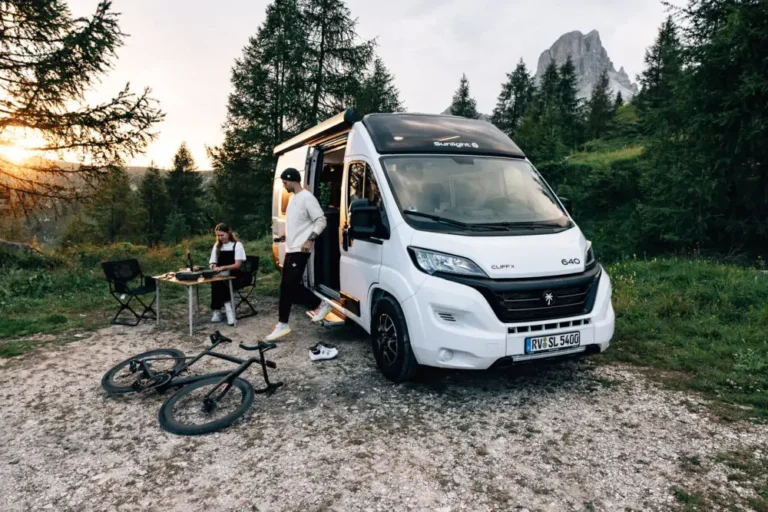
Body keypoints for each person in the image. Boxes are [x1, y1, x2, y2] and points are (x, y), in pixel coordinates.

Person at [266, 167, 330, 341]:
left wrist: (309, 240)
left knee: (288, 286)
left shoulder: (307, 198)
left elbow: (321, 220)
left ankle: (283, 323)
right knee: (288, 286)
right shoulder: (294, 198)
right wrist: (286, 235)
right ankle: (319, 304)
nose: (284, 185)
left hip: (301, 249)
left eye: (285, 182)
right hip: (291, 247)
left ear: (293, 180)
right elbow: (299, 223)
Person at [208, 222, 246, 326]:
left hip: (235, 275)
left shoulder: (237, 245)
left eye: (222, 235)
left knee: (220, 282)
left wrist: (224, 267)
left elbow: (237, 265)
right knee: (217, 282)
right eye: (218, 236)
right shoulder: (217, 246)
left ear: (228, 233)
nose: (220, 238)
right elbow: (212, 262)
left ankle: (223, 310)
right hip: (221, 275)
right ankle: (224, 309)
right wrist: (213, 266)